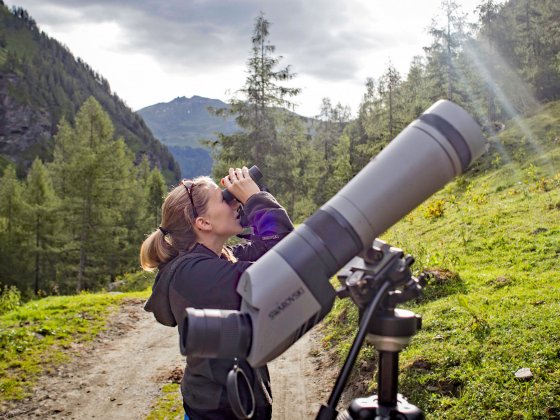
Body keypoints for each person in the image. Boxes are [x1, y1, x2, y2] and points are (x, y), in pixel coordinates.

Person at [140, 166, 294, 420]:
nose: (233, 203)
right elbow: (288, 264)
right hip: (222, 410)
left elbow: (269, 248)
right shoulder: (194, 275)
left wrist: (251, 203)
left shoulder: (215, 261)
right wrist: (254, 199)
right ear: (203, 222)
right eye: (224, 199)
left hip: (230, 401)